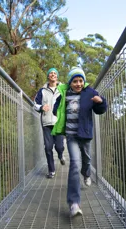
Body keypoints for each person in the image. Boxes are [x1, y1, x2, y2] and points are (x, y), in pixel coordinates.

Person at [52, 67, 107, 217]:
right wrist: (54, 109)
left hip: (85, 135)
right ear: (70, 82)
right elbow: (56, 106)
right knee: (75, 163)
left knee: (86, 159)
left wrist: (100, 101)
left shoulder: (90, 92)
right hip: (71, 136)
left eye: (80, 81)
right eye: (75, 81)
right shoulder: (64, 93)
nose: (78, 84)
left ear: (84, 81)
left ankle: (87, 174)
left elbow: (101, 109)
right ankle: (74, 203)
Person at [34, 68, 65, 179]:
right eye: (50, 73)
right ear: (48, 76)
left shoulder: (63, 89)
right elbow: (35, 105)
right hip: (46, 122)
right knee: (48, 147)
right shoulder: (42, 91)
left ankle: (61, 155)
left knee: (59, 146)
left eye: (54, 73)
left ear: (57, 76)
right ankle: (51, 170)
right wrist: (42, 107)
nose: (52, 74)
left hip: (58, 122)